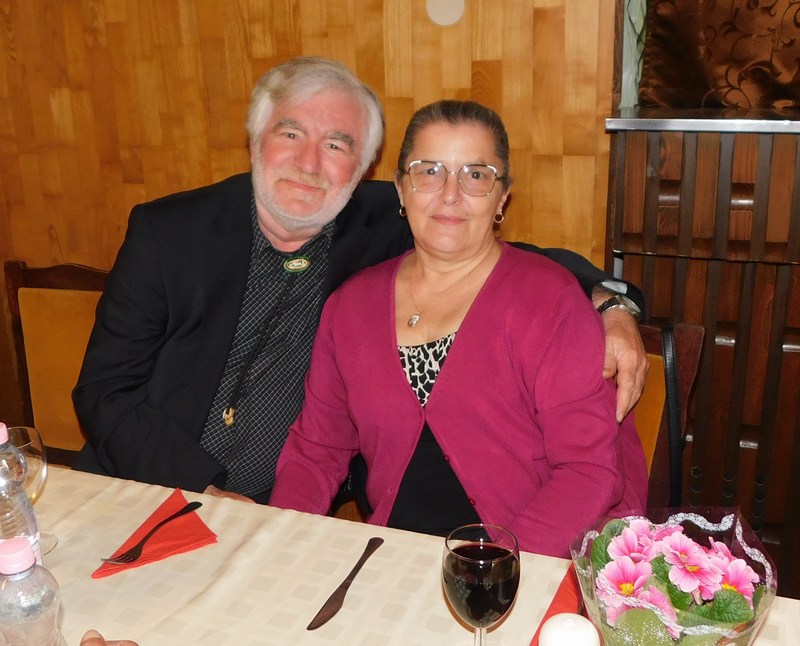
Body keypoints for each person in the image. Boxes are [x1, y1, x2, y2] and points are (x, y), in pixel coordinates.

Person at [73, 57, 646, 505]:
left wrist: (612, 305)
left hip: (284, 505)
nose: (309, 163)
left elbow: (506, 256)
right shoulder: (169, 233)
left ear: (364, 169)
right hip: (149, 488)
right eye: (290, 134)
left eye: (336, 145)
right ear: (253, 141)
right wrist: (204, 491)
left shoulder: (391, 218)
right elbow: (105, 392)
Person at [269, 100, 648, 556]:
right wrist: (276, 543)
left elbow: (588, 472)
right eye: (429, 171)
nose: (450, 194)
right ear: (401, 189)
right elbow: (317, 450)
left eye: (476, 174)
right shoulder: (350, 307)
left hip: (526, 558)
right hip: (396, 560)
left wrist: (497, 569)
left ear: (501, 197)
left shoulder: (549, 301)